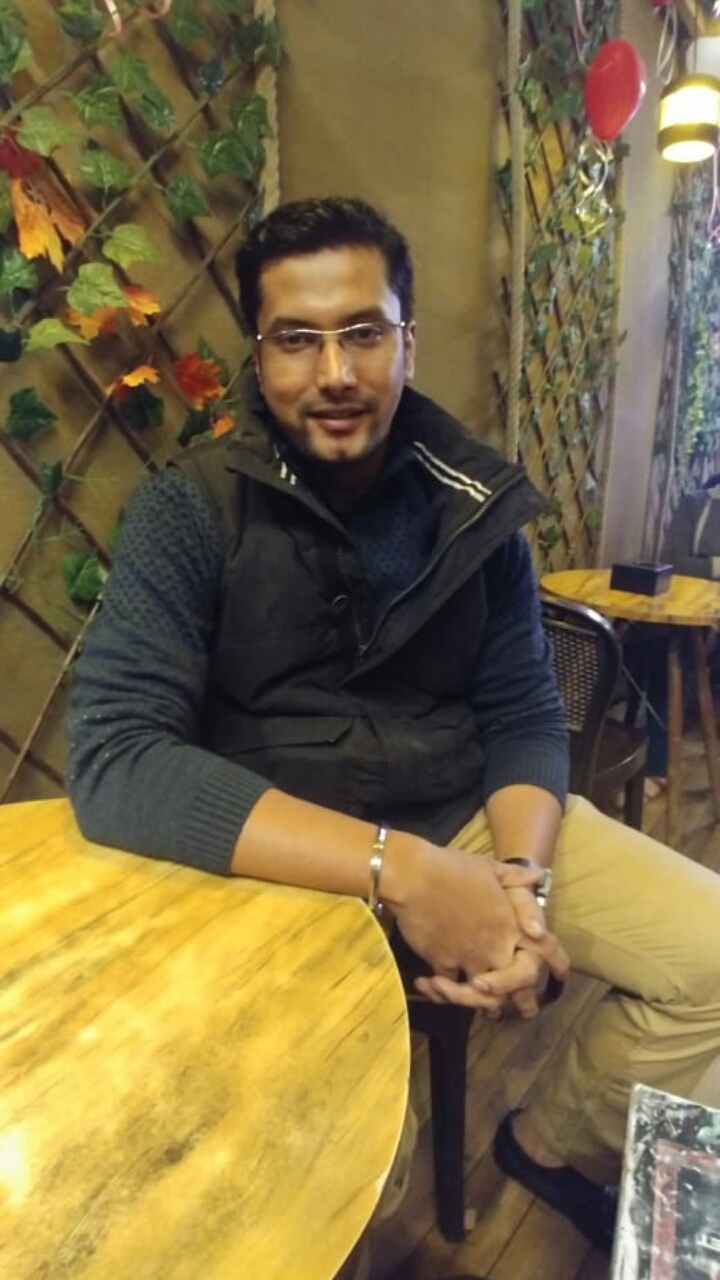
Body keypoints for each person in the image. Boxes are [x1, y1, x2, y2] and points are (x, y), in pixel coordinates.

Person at [66, 196, 720, 1260]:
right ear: (259, 356)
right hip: (288, 858)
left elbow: (524, 710)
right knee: (354, 1169)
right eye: (298, 339)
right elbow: (116, 760)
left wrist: (521, 884)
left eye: (363, 332)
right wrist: (401, 871)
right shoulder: (187, 511)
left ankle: (551, 1143)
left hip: (464, 812)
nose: (335, 372)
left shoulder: (477, 506)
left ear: (407, 342)